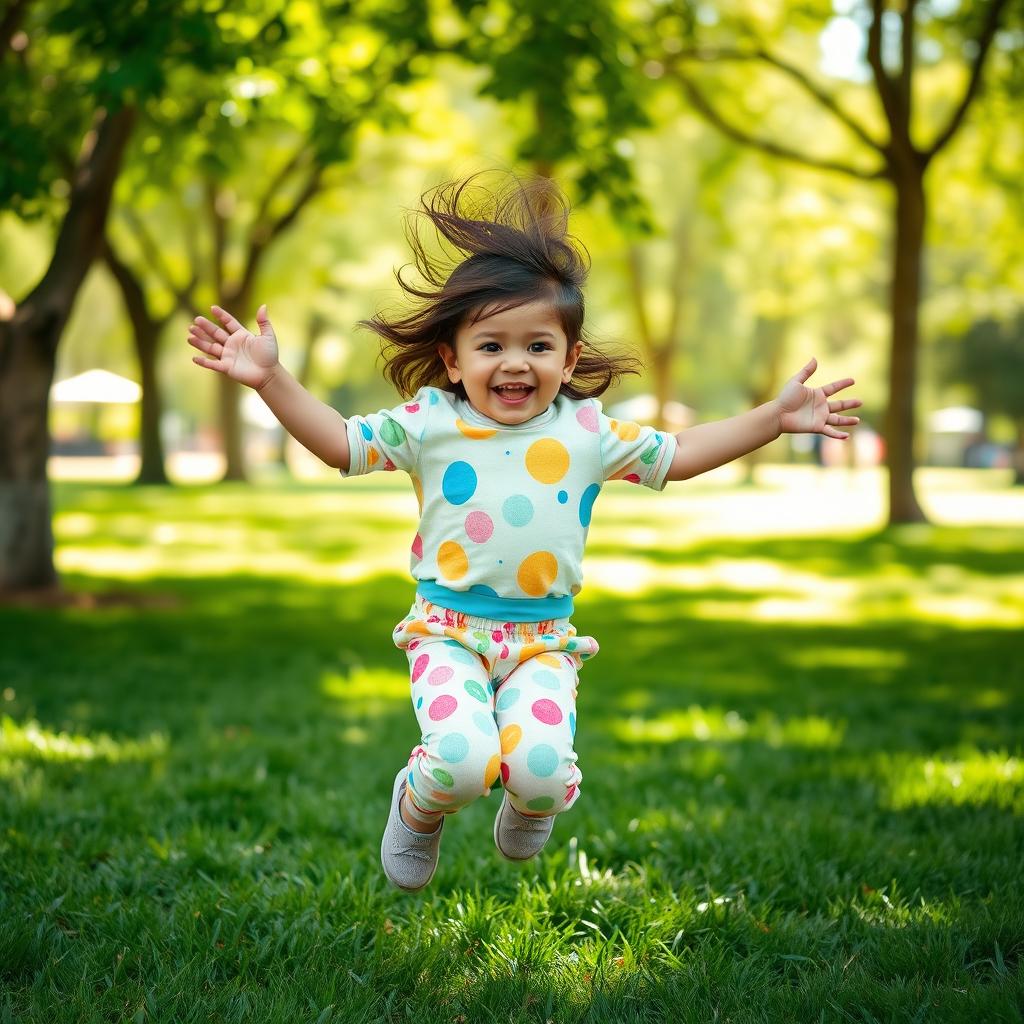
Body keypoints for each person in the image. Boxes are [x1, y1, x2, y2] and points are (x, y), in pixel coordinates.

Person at [187, 173, 861, 893]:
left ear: (569, 360)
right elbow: (340, 445)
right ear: (452, 357)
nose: (515, 362)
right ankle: (418, 807)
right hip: (447, 630)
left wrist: (771, 418)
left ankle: (531, 799)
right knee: (461, 762)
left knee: (541, 774)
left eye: (539, 346)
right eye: (491, 346)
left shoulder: (589, 431)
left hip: (543, 639)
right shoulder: (429, 422)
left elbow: (682, 454)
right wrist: (272, 381)